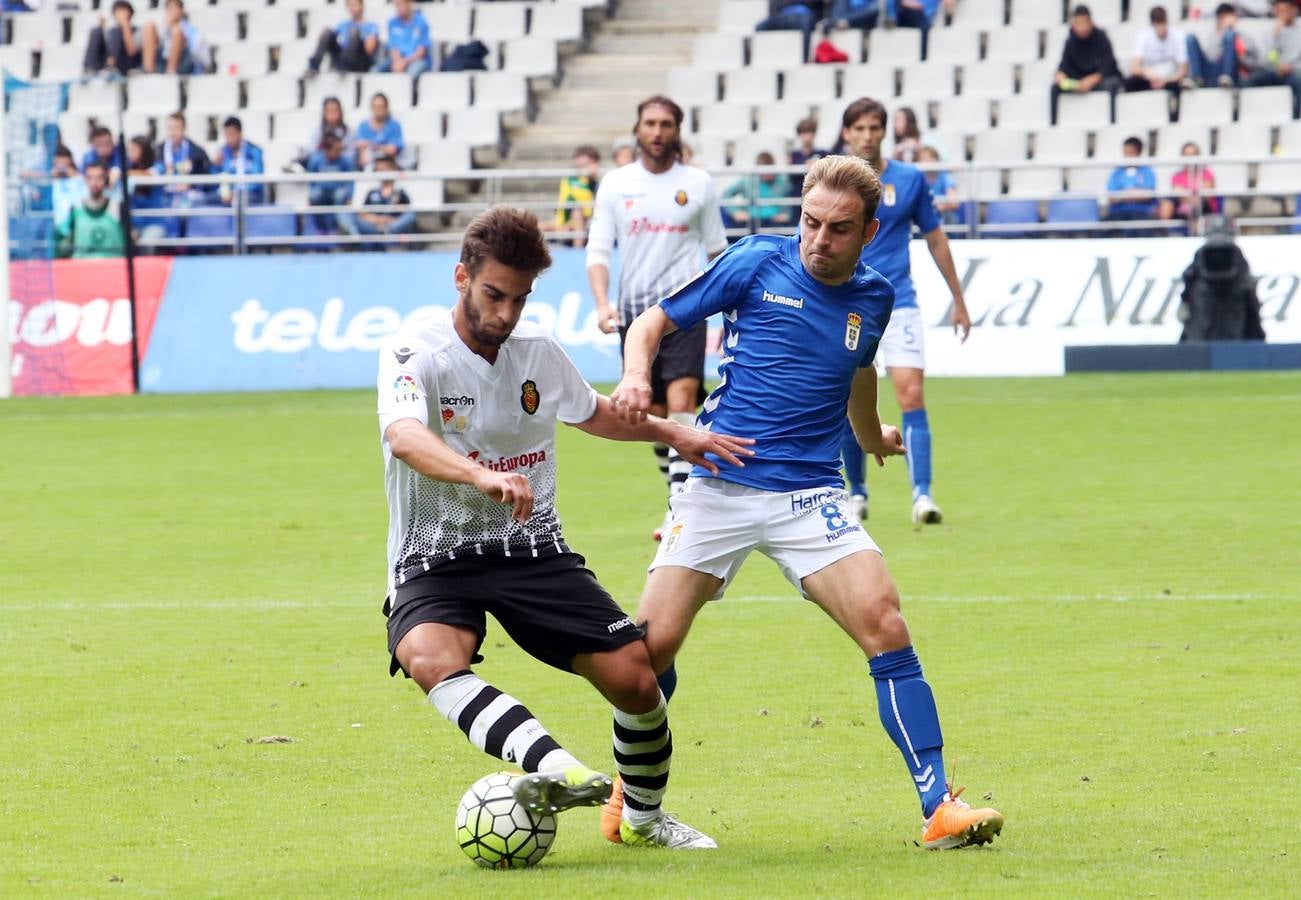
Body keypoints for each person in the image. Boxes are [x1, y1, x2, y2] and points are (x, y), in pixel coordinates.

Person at [602, 154, 1004, 852]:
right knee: (648, 651)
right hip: (720, 484)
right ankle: (630, 804)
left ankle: (939, 807)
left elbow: (857, 367)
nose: (818, 240)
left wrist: (870, 434)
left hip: (809, 493)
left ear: (870, 231)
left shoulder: (873, 297)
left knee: (885, 623)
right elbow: (653, 323)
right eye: (810, 222)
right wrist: (637, 375)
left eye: (838, 229)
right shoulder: (756, 261)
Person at [378, 205, 752, 849]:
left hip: (530, 547)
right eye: (493, 294)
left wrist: (671, 432)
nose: (505, 314)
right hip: (435, 551)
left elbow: (594, 412)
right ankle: (561, 770)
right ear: (461, 277)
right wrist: (478, 476)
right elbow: (405, 435)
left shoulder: (537, 352)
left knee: (638, 680)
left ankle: (642, 820)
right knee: (429, 658)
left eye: (519, 299)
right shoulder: (415, 350)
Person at [585, 96, 728, 541]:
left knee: (684, 399)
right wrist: (602, 303)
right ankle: (677, 495)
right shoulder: (615, 184)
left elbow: (717, 251)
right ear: (638, 128)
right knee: (654, 413)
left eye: (666, 123)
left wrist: (725, 313)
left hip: (686, 308)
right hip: (635, 314)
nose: (658, 131)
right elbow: (597, 250)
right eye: (650, 123)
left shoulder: (699, 184)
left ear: (677, 129)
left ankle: (681, 510)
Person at [839, 97, 971, 524]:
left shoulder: (910, 180)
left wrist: (958, 298)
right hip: (846, 305)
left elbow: (936, 238)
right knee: (844, 396)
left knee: (911, 394)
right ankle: (857, 493)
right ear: (847, 134)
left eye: (874, 128)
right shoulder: (837, 182)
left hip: (899, 304)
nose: (867, 136)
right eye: (859, 128)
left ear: (884, 132)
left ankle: (922, 496)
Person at [1051, 5, 1122, 125]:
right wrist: (1062, 77)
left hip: (1099, 81)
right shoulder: (1070, 42)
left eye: (1085, 23)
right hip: (1078, 83)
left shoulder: (1101, 38)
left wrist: (1091, 80)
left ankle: (1112, 122)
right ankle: (1054, 123)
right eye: (1078, 23)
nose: (1082, 27)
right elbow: (1063, 67)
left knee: (1113, 83)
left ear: (1091, 22)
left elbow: (1108, 66)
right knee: (1055, 87)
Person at [1243, 0, 1301, 117]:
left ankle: (1295, 118)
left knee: (1298, 81)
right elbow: (1265, 60)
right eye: (1280, 9)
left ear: (1295, 10)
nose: (1283, 13)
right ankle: (1249, 115)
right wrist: (1275, 36)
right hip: (1272, 71)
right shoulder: (1269, 33)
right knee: (1247, 82)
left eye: (1287, 9)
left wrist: (1292, 67)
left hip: (1292, 73)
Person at [56, 163, 124, 259]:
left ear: (105, 180)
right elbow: (64, 238)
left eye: (99, 177)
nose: (94, 182)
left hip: (113, 266)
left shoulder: (117, 207)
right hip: (83, 267)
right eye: (90, 178)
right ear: (85, 180)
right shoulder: (76, 209)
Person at [347, 155, 417, 245]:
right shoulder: (372, 192)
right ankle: (381, 233)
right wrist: (379, 220)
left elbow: (405, 214)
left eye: (384, 170)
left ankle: (387, 231)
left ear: (392, 169)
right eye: (378, 170)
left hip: (393, 230)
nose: (381, 173)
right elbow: (363, 214)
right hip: (374, 228)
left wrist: (390, 224)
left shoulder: (401, 192)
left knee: (410, 215)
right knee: (355, 218)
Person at [722, 151, 796, 230]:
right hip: (751, 222)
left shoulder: (782, 182)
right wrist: (735, 212)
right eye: (765, 171)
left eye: (770, 170)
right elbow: (726, 194)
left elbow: (793, 199)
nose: (769, 174)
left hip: (775, 222)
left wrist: (787, 214)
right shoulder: (748, 180)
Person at [1123, 6, 1188, 93]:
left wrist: (1165, 80)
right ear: (1153, 25)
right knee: (1130, 83)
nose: (1160, 29)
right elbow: (1134, 68)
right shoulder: (1144, 36)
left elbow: (1183, 71)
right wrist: (1147, 73)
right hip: (1150, 78)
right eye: (1157, 25)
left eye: (1162, 24)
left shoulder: (1178, 35)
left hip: (1170, 79)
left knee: (1180, 84)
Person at [307, 0, 381, 75]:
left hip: (360, 61)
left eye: (355, 5)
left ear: (361, 6)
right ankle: (314, 66)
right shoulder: (343, 24)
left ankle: (344, 65)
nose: (352, 8)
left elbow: (369, 50)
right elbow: (331, 39)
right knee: (327, 32)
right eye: (350, 5)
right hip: (342, 59)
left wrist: (357, 36)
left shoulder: (370, 26)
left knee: (354, 33)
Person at [306, 131, 359, 235]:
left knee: (340, 195)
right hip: (322, 192)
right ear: (326, 149)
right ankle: (320, 229)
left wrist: (349, 197)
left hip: (338, 192)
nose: (339, 152)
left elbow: (350, 181)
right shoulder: (315, 160)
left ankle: (348, 230)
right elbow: (311, 181)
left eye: (341, 149)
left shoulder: (346, 161)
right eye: (336, 150)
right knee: (314, 195)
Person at [1187, 3, 1251, 87]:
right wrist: (1222, 32)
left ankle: (1226, 77)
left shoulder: (1242, 36)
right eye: (1221, 17)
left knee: (1230, 35)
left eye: (1226, 17)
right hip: (1212, 70)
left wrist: (1231, 33)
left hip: (1231, 71)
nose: (1223, 20)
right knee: (1190, 38)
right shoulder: (1213, 36)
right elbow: (1211, 57)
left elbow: (1250, 59)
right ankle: (1196, 79)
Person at [1160, 141, 1220, 231]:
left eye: (1193, 155)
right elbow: (1177, 193)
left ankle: (1195, 234)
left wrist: (1190, 198)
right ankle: (1164, 232)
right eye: (1187, 155)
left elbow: (1207, 195)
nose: (1190, 159)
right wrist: (1189, 198)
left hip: (1203, 207)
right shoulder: (1177, 176)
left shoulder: (1207, 174)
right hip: (1183, 205)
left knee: (1196, 205)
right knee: (1167, 203)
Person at [1104, 136, 1158, 234]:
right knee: (1104, 227)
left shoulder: (1147, 171)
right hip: (1119, 211)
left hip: (1141, 211)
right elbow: (1111, 198)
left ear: (1139, 153)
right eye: (1125, 153)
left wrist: (1122, 195)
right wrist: (1135, 194)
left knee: (1144, 229)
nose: (1128, 156)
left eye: (1131, 152)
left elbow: (1148, 195)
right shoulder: (1117, 172)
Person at [142, 0, 210, 75]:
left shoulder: (192, 31)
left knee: (177, 31)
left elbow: (200, 57)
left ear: (182, 11)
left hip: (183, 63)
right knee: (149, 26)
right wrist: (166, 26)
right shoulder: (161, 28)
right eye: (169, 7)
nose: (172, 10)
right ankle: (148, 71)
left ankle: (171, 71)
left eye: (175, 7)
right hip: (161, 62)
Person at [551, 145, 600, 247]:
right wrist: (562, 224)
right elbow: (561, 205)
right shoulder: (568, 180)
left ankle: (577, 251)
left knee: (577, 212)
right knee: (530, 224)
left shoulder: (596, 181)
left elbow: (591, 210)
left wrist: (592, 175)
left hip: (586, 221)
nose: (578, 161)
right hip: (565, 221)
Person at [212, 116, 266, 207]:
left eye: (232, 134)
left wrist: (237, 194)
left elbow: (257, 181)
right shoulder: (223, 152)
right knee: (201, 202)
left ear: (240, 133)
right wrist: (216, 165)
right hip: (226, 195)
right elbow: (214, 182)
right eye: (226, 135)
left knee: (240, 202)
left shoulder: (254, 151)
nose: (229, 138)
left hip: (250, 195)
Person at [125, 136, 168, 246]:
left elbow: (149, 175)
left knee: (147, 244)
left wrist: (125, 174)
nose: (130, 153)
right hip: (134, 224)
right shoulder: (128, 167)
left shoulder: (158, 166)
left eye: (134, 149)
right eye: (129, 149)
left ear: (144, 150)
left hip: (154, 223)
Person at [82, 0, 144, 76]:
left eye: (123, 10)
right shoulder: (112, 30)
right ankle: (89, 68)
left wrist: (125, 24)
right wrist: (102, 27)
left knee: (116, 31)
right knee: (96, 31)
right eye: (118, 11)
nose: (120, 14)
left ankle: (111, 66)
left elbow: (132, 51)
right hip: (107, 62)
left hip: (126, 63)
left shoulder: (138, 30)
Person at [755, 1, 826, 62]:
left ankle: (805, 59)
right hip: (783, 16)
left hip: (803, 15)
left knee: (806, 24)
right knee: (760, 27)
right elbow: (774, 9)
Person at [380, 0, 433, 77]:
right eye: (396, 5)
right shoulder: (392, 22)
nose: (398, 8)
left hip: (416, 60)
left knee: (411, 73)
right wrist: (398, 61)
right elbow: (393, 48)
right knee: (376, 70)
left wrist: (404, 62)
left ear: (409, 3)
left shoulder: (422, 22)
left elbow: (421, 51)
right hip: (398, 60)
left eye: (400, 4)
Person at [883, 0, 954, 56]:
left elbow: (949, 2)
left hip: (923, 18)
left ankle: (923, 57)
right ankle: (891, 18)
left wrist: (948, 19)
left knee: (924, 24)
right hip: (906, 13)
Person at [354, 92, 405, 170]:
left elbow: (393, 150)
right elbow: (360, 147)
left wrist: (373, 146)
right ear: (371, 107)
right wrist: (382, 148)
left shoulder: (394, 126)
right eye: (375, 107)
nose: (378, 110)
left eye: (381, 107)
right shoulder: (363, 126)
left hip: (389, 164)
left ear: (386, 108)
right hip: (368, 165)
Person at [917, 145, 959, 225]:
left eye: (930, 157)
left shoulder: (945, 176)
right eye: (923, 158)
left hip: (943, 216)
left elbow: (954, 203)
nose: (927, 161)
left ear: (937, 160)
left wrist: (938, 208)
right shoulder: (917, 178)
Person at [50, 146, 87, 230]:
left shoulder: (80, 179)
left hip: (77, 222)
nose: (61, 162)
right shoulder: (51, 180)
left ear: (70, 160)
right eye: (58, 159)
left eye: (64, 159)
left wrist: (73, 175)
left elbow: (84, 197)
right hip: (57, 225)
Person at [790, 116, 830, 191]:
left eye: (809, 132)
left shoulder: (823, 153)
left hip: (818, 192)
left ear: (814, 133)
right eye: (803, 132)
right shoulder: (795, 154)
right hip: (798, 193)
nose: (806, 136)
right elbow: (792, 178)